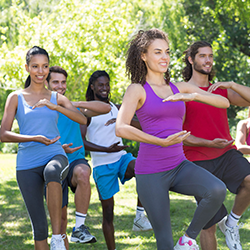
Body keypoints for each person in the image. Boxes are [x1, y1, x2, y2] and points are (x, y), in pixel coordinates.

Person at [115, 28, 230, 250]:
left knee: (216, 190)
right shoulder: (137, 90)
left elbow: (224, 103)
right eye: (157, 52)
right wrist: (159, 141)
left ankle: (187, 240)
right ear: (143, 55)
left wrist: (194, 95)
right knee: (164, 243)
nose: (164, 57)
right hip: (151, 171)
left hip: (179, 165)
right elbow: (121, 128)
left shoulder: (180, 87)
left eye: (166, 52)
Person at [0, 46, 87, 250]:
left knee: (52, 171)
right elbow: (3, 134)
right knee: (39, 228)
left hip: (55, 154)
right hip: (27, 164)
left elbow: (82, 118)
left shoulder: (56, 97)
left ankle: (58, 237)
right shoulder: (15, 97)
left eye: (45, 66)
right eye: (36, 66)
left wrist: (56, 106)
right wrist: (34, 138)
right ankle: (49, 237)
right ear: (27, 68)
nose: (41, 71)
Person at [182, 41, 250, 250]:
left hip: (226, 154)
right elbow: (179, 135)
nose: (208, 60)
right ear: (191, 59)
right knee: (208, 225)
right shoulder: (181, 91)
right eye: (202, 56)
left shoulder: (219, 90)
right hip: (196, 160)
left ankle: (231, 223)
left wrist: (231, 85)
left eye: (210, 56)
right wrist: (207, 142)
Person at [80, 70, 153, 250]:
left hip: (121, 158)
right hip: (102, 166)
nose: (105, 88)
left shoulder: (115, 107)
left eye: (107, 85)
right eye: (100, 85)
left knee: (144, 168)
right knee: (108, 214)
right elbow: (82, 143)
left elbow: (138, 124)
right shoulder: (86, 111)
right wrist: (106, 149)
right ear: (93, 87)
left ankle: (139, 217)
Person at [46, 66, 111, 249]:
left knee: (84, 172)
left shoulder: (72, 108)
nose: (60, 86)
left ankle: (80, 227)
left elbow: (105, 108)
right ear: (47, 83)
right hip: (53, 164)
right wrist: (58, 148)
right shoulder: (42, 108)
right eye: (55, 82)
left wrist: (74, 104)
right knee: (61, 220)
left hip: (75, 160)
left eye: (63, 82)